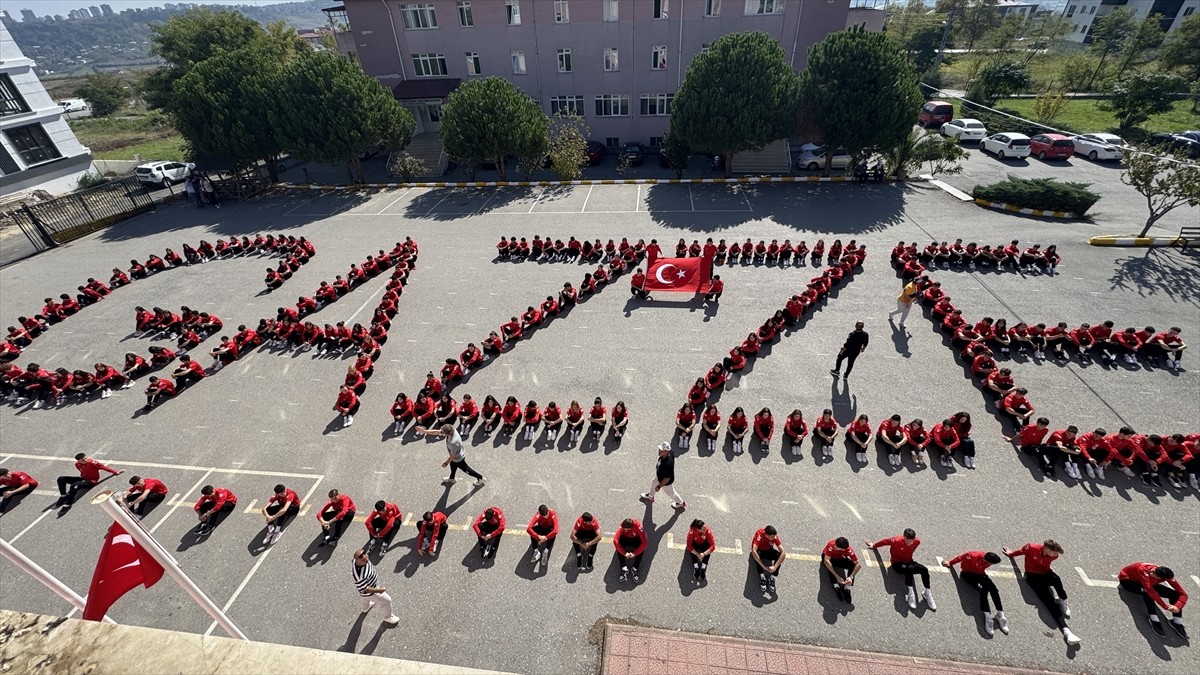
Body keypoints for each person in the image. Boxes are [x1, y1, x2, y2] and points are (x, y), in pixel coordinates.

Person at [1004, 540, 1081, 645]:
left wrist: (1049, 570)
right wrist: (1010, 554)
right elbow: (1021, 552)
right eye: (1054, 552)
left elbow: (1047, 564)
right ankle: (1067, 631)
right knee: (1049, 601)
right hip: (1033, 577)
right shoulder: (1031, 548)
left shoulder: (1054, 556)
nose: (1056, 555)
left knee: (1057, 579)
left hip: (1045, 573)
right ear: (1046, 549)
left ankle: (1062, 600)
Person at [866, 529, 936, 611]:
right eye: (906, 539)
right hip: (897, 564)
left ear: (914, 539)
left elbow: (911, 550)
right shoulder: (896, 541)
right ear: (903, 537)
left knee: (924, 569)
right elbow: (885, 541)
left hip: (909, 562)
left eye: (911, 540)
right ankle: (911, 593)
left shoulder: (917, 542)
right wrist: (874, 545)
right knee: (909, 568)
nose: (908, 542)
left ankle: (927, 593)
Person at [944, 550, 1008, 636]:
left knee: (994, 590)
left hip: (980, 574)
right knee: (983, 591)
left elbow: (981, 569)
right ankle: (987, 617)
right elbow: (960, 558)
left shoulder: (988, 561)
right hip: (967, 574)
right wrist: (950, 562)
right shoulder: (972, 555)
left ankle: (1000, 614)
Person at [1118, 562, 1189, 638]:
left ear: (1162, 579)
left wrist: (1178, 607)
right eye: (1153, 571)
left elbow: (1183, 594)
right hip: (1128, 581)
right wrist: (1165, 606)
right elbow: (1151, 591)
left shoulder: (1168, 577)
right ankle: (1153, 618)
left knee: (1175, 594)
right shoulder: (1143, 570)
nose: (1151, 571)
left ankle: (1177, 621)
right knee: (1147, 592)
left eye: (1154, 573)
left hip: (1148, 582)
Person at [418, 424, 486, 487]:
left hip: (458, 459)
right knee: (453, 467)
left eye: (442, 431)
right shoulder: (452, 429)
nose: (440, 432)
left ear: (446, 433)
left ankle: (480, 478)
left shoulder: (453, 442)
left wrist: (445, 463)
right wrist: (424, 431)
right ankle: (452, 479)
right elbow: (437, 432)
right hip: (454, 457)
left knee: (467, 470)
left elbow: (452, 456)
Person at [352, 548, 400, 626]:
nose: (365, 557)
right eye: (362, 558)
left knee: (365, 598)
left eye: (365, 554)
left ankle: (365, 608)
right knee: (387, 601)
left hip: (365, 592)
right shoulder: (359, 576)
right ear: (357, 560)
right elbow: (365, 589)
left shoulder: (358, 561)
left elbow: (363, 590)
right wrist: (379, 590)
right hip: (371, 591)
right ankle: (388, 617)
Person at [55, 452, 121, 508]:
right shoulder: (77, 464)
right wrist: (82, 480)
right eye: (83, 460)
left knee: (74, 486)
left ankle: (69, 503)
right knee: (61, 479)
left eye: (86, 458)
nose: (85, 460)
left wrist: (115, 472)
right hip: (84, 478)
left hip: (91, 481)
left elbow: (103, 467)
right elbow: (83, 472)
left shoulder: (92, 463)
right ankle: (63, 495)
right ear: (79, 461)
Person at [642, 441, 686, 509]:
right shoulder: (669, 452)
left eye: (661, 450)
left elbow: (666, 478)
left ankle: (680, 503)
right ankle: (650, 496)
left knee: (671, 493)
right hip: (660, 475)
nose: (659, 450)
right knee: (654, 482)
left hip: (665, 482)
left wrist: (659, 486)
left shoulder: (668, 464)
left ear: (666, 451)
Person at [822, 537, 862, 604]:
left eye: (836, 547)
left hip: (840, 558)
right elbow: (826, 561)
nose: (834, 546)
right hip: (829, 558)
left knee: (853, 566)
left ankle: (847, 588)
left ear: (842, 549)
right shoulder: (831, 545)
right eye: (835, 545)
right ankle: (836, 586)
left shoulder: (848, 549)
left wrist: (851, 577)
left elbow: (858, 564)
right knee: (830, 566)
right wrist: (837, 576)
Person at [751, 525, 786, 594]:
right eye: (772, 537)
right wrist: (764, 567)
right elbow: (753, 551)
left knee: (779, 556)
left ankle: (772, 576)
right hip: (759, 550)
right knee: (756, 556)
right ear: (767, 535)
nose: (774, 538)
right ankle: (762, 576)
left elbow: (783, 553)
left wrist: (775, 567)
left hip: (768, 550)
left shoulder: (774, 537)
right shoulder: (759, 535)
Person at [614, 518, 648, 583]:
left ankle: (635, 568)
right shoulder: (622, 526)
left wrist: (634, 553)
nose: (624, 529)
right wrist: (624, 553)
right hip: (625, 538)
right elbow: (615, 540)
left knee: (641, 549)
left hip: (635, 538)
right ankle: (624, 568)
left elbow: (644, 543)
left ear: (630, 528)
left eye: (625, 529)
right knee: (618, 547)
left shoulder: (638, 526)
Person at [686, 518, 716, 584]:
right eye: (703, 529)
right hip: (695, 543)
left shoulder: (707, 530)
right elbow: (688, 545)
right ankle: (696, 567)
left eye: (705, 528)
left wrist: (704, 554)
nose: (705, 530)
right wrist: (697, 554)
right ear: (698, 529)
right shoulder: (692, 531)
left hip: (703, 544)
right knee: (692, 549)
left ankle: (703, 567)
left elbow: (713, 546)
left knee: (708, 548)